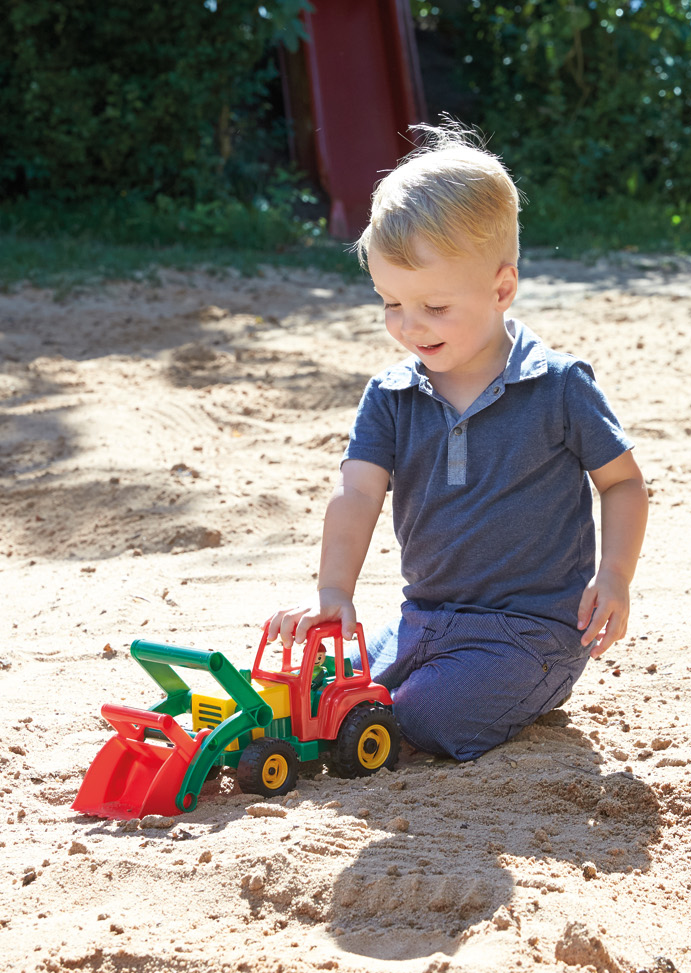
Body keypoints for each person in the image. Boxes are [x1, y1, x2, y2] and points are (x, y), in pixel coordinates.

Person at [267, 125, 648, 761]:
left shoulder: (557, 386)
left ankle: (465, 706)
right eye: (391, 303)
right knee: (331, 690)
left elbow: (623, 482)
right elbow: (357, 493)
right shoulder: (391, 395)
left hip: (531, 635)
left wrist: (614, 575)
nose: (410, 325)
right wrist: (334, 590)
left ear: (501, 288)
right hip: (423, 619)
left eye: (434, 307)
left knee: (418, 714)